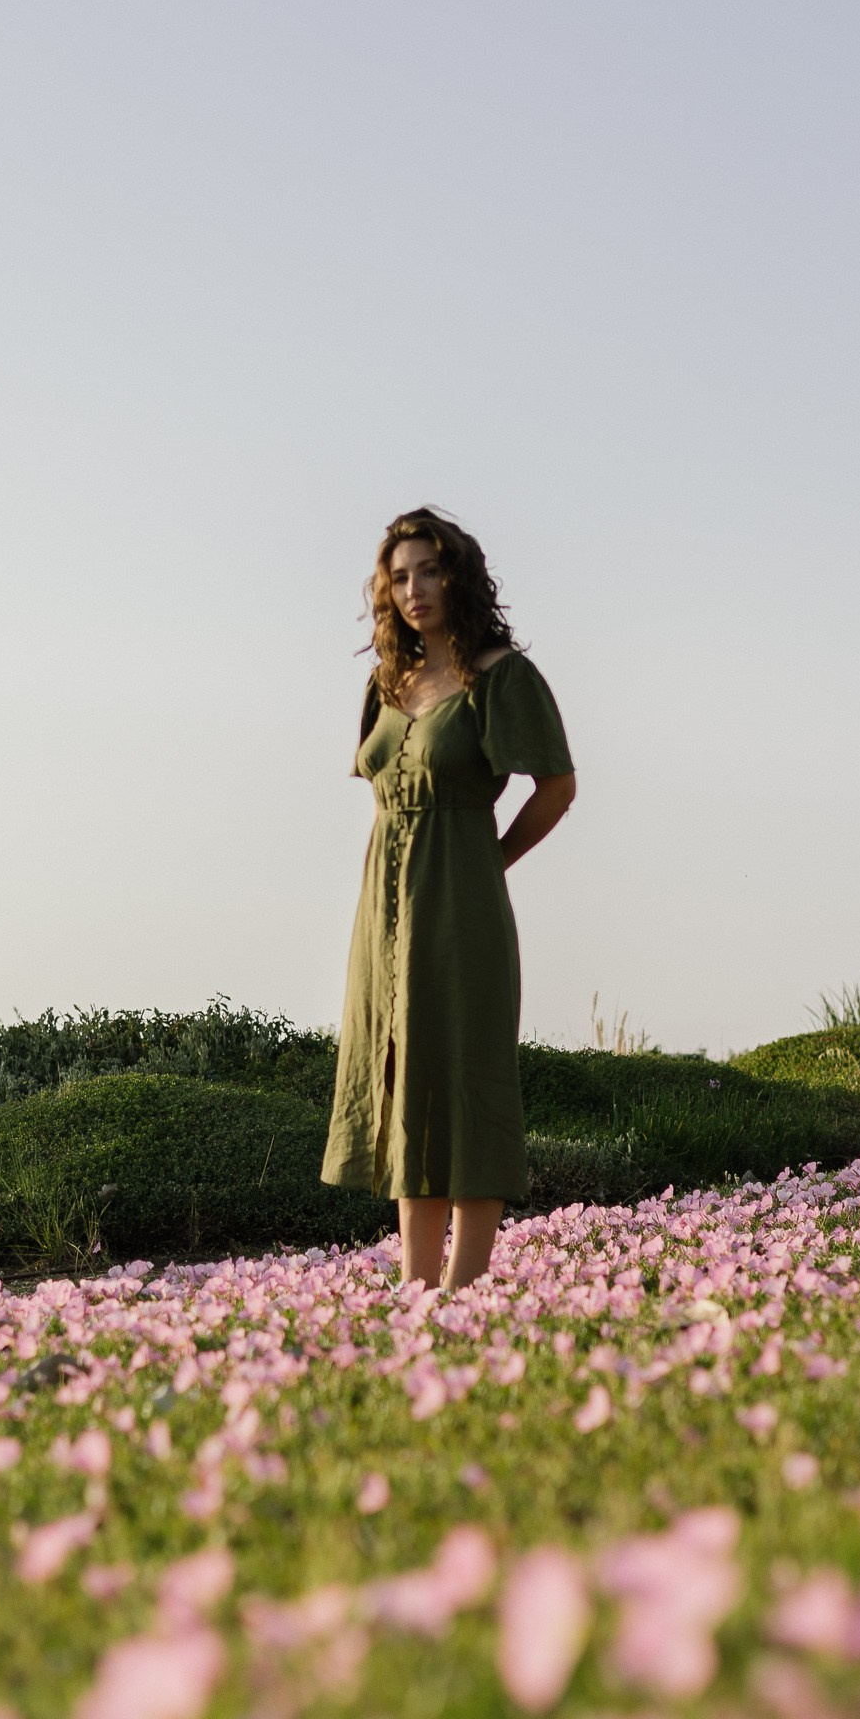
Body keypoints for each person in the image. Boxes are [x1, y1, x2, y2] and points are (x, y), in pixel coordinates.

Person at [321, 507, 576, 1289]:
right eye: (399, 577)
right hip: (384, 908)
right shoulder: (385, 684)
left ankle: (463, 1290)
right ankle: (414, 1288)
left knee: (466, 1075)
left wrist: (490, 860)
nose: (414, 589)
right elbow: (382, 792)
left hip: (461, 903)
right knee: (402, 1078)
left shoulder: (499, 676)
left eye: (429, 570)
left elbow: (557, 789)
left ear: (458, 575)